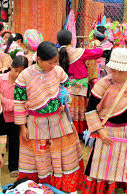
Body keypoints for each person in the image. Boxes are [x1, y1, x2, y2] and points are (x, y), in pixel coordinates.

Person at [81, 48, 127, 194]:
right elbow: (90, 110)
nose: (115, 74)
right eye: (113, 70)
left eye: (120, 71)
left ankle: (118, 188)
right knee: (103, 164)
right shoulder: (102, 84)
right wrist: (100, 130)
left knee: (123, 163)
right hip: (107, 133)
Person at [14, 41, 84, 193]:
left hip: (59, 120)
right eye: (51, 62)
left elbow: (67, 86)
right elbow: (18, 103)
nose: (54, 65)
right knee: (41, 157)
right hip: (36, 124)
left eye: (56, 61)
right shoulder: (25, 76)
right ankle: (41, 188)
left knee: (64, 155)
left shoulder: (58, 71)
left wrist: (66, 100)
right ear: (39, 59)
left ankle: (66, 187)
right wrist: (22, 127)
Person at [57, 30, 103, 137]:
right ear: (71, 40)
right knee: (79, 110)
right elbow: (98, 53)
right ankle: (78, 132)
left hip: (63, 88)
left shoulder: (56, 52)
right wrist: (98, 45)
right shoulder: (79, 52)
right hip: (79, 88)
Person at [0, 55, 28, 177]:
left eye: (21, 72)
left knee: (14, 142)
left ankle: (13, 166)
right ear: (11, 67)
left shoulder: (24, 84)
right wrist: (8, 102)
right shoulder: (0, 78)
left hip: (15, 117)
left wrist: (5, 100)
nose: (18, 74)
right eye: (16, 70)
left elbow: (23, 102)